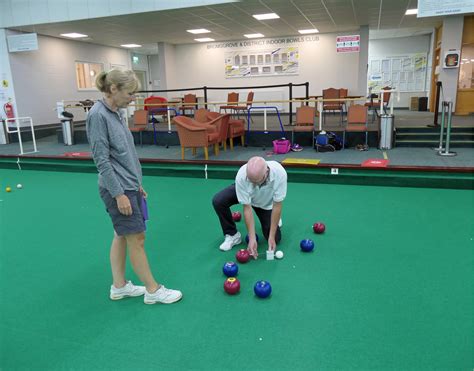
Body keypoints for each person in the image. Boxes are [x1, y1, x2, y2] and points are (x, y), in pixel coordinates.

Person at [86, 69, 182, 304]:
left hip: (129, 185)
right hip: (117, 188)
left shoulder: (116, 112)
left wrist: (137, 184)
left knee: (121, 234)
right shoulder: (97, 116)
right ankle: (153, 290)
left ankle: (119, 287)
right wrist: (119, 194)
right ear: (113, 89)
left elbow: (124, 153)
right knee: (136, 238)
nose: (133, 98)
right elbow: (102, 161)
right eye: (130, 93)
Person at [212, 156, 287, 259]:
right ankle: (233, 235)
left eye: (256, 181)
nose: (253, 184)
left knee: (276, 239)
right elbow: (247, 208)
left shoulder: (279, 173)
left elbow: (277, 205)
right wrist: (252, 238)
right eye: (251, 180)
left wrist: (271, 237)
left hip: (265, 204)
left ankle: (275, 219)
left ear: (266, 173)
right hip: (247, 194)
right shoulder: (242, 175)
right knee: (219, 201)